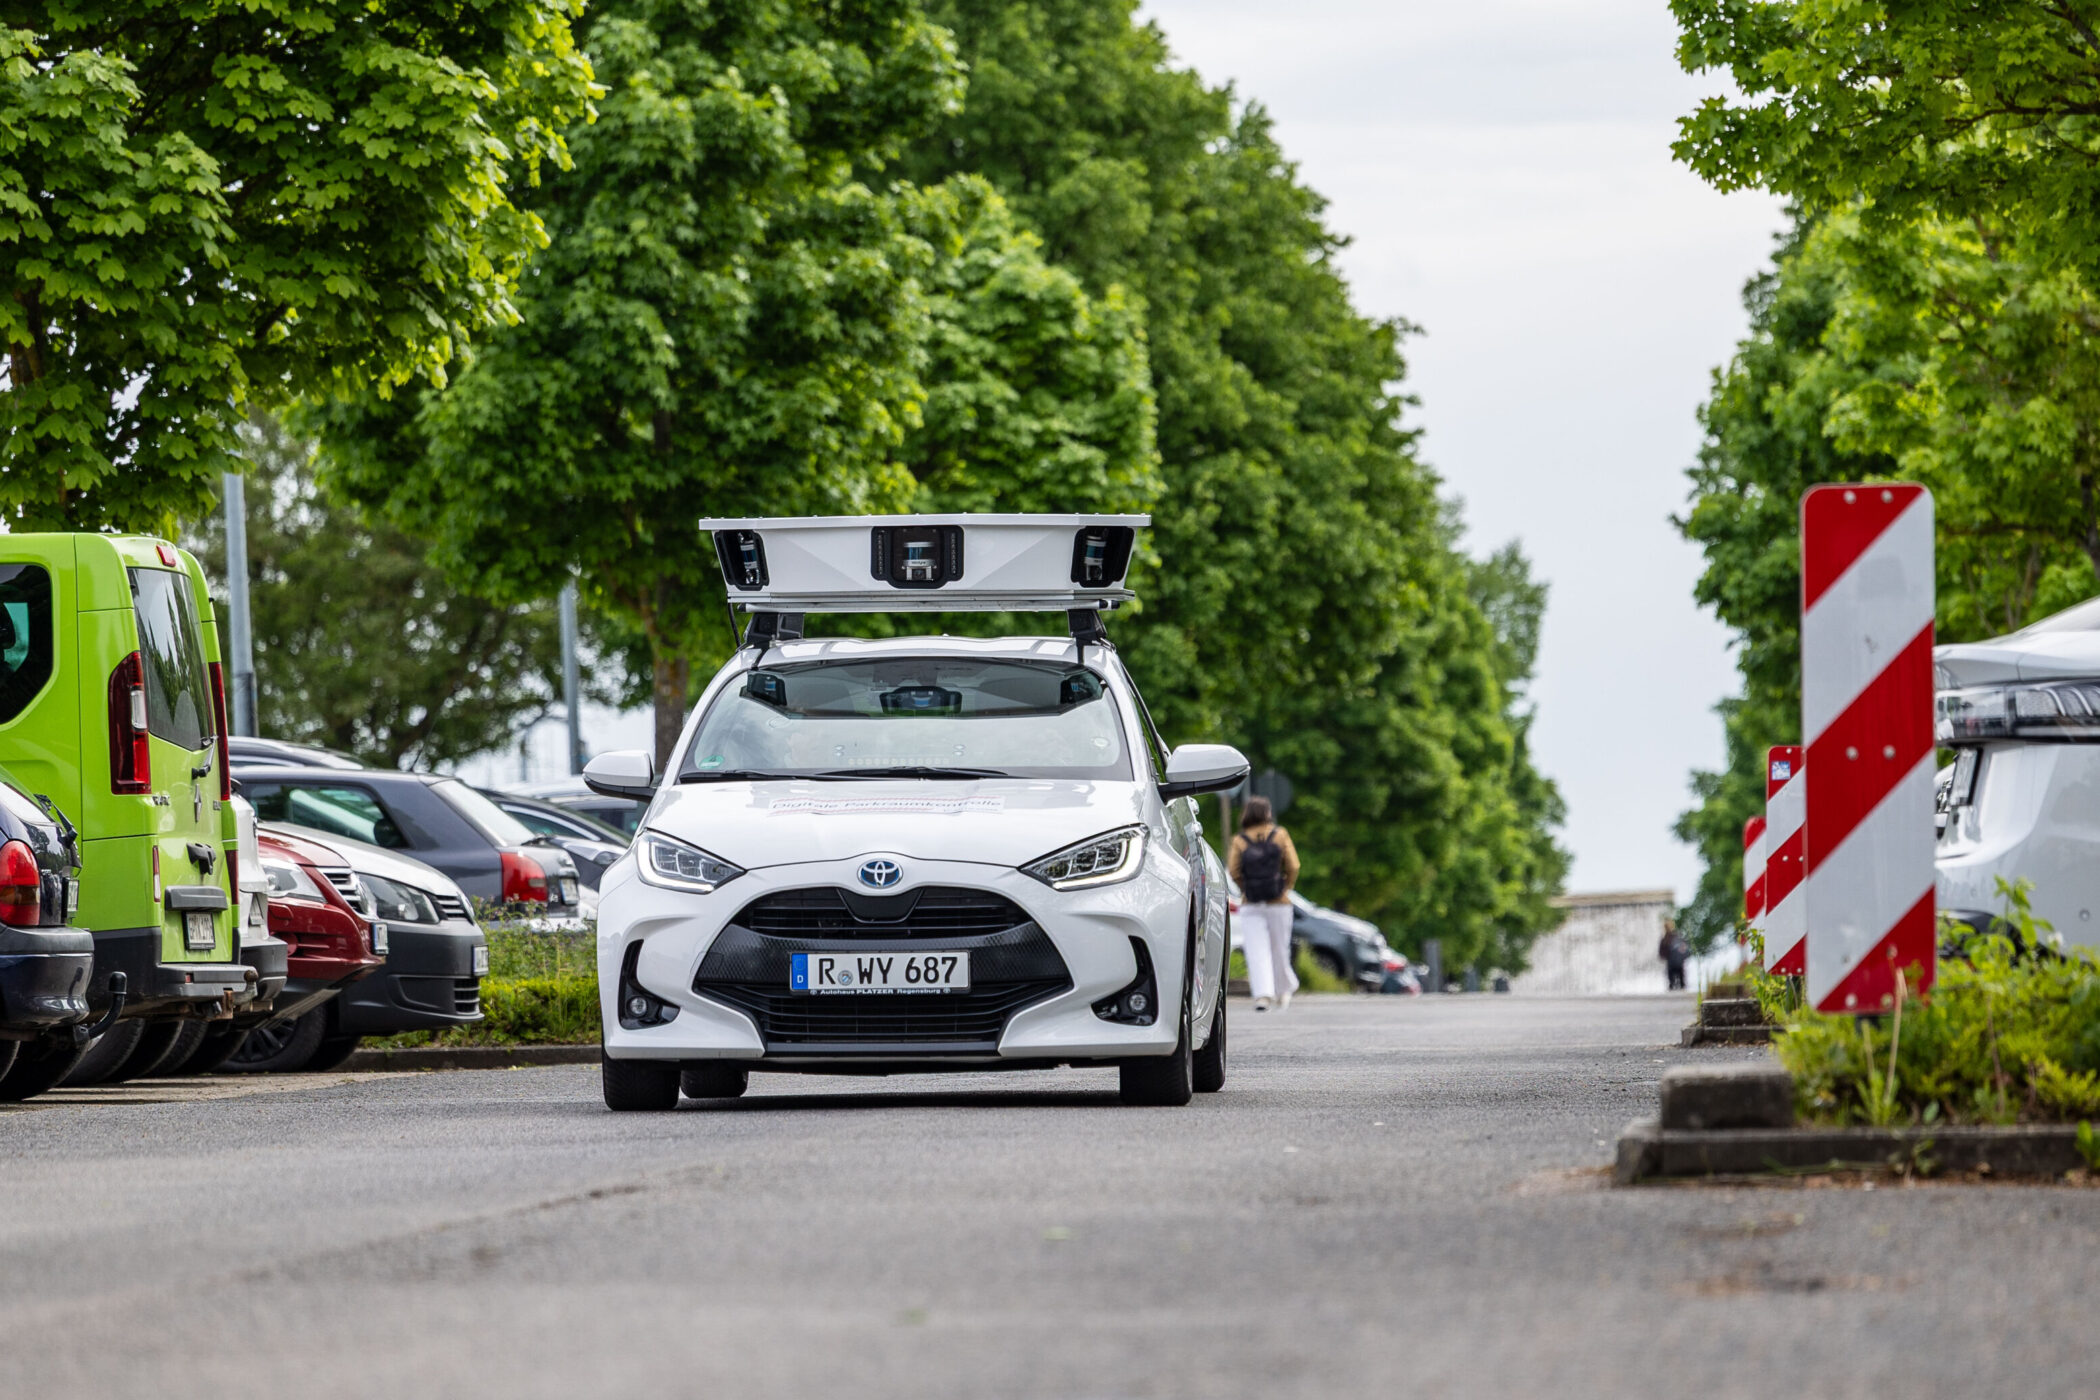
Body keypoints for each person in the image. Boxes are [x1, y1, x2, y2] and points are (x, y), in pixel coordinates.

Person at [1229, 796, 1301, 1012]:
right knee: (1280, 947)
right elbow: (1294, 865)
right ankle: (1284, 991)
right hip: (1279, 902)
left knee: (1256, 949)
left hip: (1251, 903)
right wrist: (1285, 886)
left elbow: (1233, 871)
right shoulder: (1280, 835)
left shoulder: (1240, 840)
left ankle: (1262, 996)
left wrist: (1245, 888)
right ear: (1268, 814)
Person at [1659, 919, 1689, 991]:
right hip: (1679, 962)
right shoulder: (1678, 937)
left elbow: (1661, 952)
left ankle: (1674, 987)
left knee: (1672, 981)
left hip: (1671, 963)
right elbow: (1684, 949)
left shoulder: (1665, 939)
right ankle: (1680, 988)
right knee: (1681, 981)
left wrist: (1666, 956)